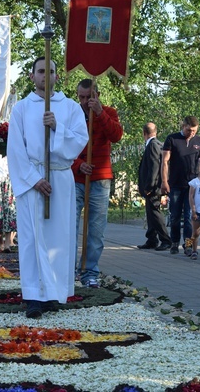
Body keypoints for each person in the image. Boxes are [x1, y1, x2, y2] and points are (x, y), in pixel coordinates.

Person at [7, 57, 89, 318]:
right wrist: (34, 179)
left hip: (61, 179)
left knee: (60, 239)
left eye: (50, 71)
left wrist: (57, 127)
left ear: (56, 76)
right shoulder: (21, 108)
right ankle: (33, 294)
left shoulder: (71, 108)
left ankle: (54, 292)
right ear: (32, 76)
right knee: (32, 239)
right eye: (41, 71)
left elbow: (80, 140)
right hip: (33, 181)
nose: (46, 75)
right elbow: (15, 150)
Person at [71, 79, 123, 288]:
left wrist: (100, 113)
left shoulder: (109, 112)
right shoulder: (72, 113)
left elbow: (116, 135)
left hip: (100, 178)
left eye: (88, 97)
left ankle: (90, 271)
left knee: (95, 229)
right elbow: (62, 142)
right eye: (81, 97)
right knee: (70, 226)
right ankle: (69, 269)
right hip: (75, 178)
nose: (84, 102)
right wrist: (77, 164)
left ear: (97, 95)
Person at [161, 116, 200, 255]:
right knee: (175, 216)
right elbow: (165, 162)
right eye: (189, 130)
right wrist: (164, 181)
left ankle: (188, 244)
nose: (191, 133)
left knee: (189, 216)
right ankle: (174, 242)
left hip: (192, 185)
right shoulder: (172, 139)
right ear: (184, 126)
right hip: (175, 184)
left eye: (194, 131)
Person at [137, 122, 172, 251]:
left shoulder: (152, 145)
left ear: (144, 133)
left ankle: (165, 239)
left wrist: (149, 186)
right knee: (150, 212)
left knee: (155, 213)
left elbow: (154, 167)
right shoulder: (158, 144)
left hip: (153, 186)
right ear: (155, 132)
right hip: (155, 185)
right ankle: (151, 239)